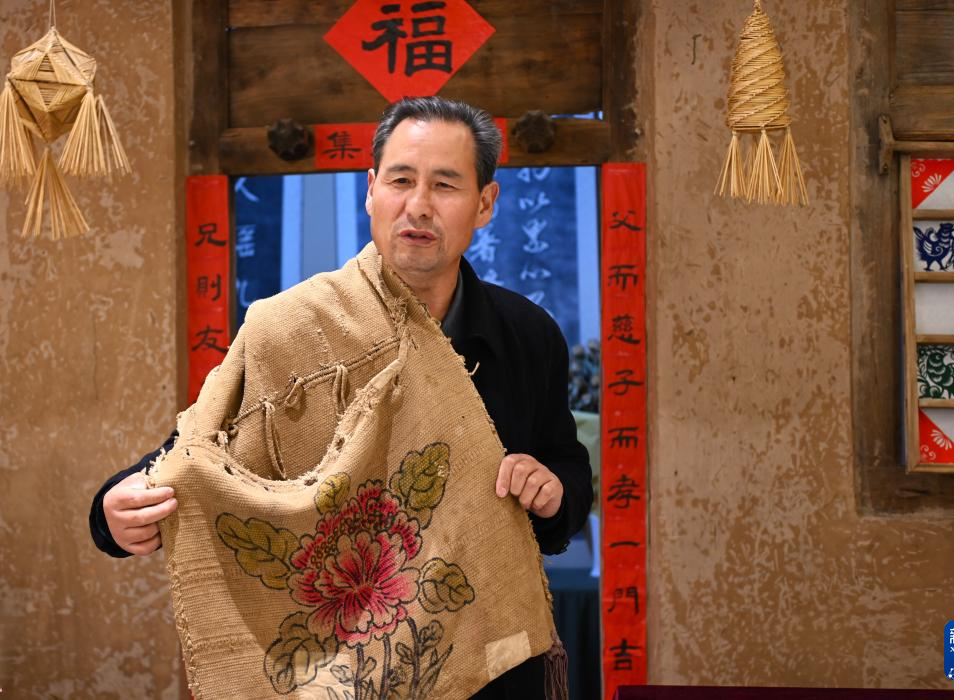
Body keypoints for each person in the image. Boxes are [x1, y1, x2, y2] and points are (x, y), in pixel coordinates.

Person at [89, 96, 593, 699]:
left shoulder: (527, 334)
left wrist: (554, 492)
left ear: (485, 203)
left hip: (490, 661)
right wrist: (111, 512)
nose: (418, 205)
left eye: (445, 185)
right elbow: (196, 453)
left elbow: (566, 465)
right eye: (400, 181)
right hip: (337, 670)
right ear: (371, 190)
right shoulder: (289, 328)